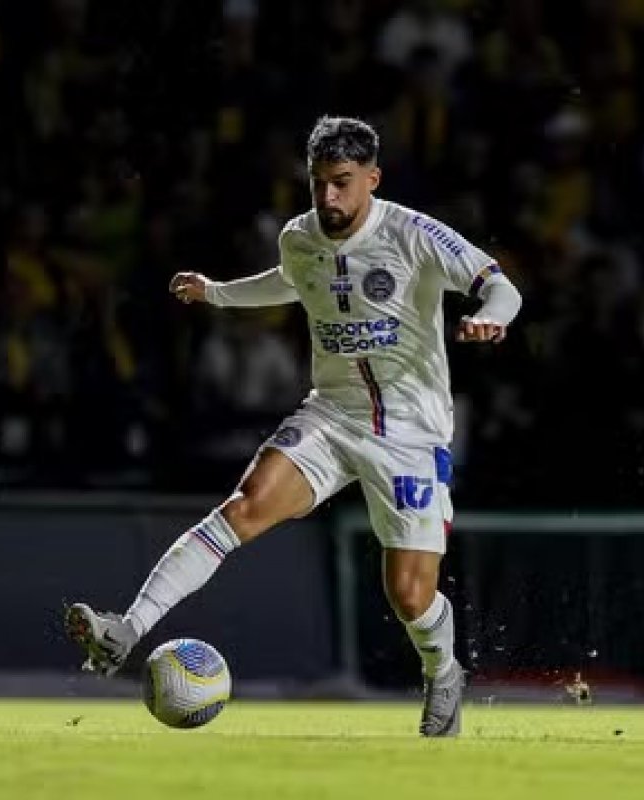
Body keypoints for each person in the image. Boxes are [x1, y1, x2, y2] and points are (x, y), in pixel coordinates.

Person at [65, 116, 522, 737]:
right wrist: (217, 293)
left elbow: (500, 286)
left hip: (410, 433)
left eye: (341, 183)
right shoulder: (298, 236)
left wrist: (490, 317)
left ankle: (443, 670)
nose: (328, 198)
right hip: (330, 416)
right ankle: (129, 628)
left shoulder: (414, 234)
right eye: (318, 185)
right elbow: (291, 281)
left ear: (372, 179)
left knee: (411, 597)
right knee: (244, 507)